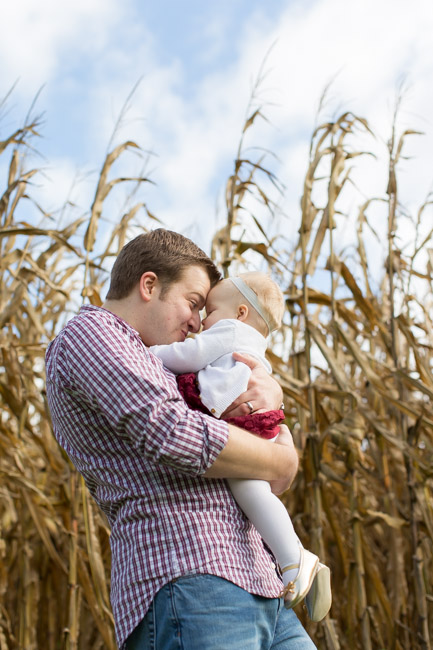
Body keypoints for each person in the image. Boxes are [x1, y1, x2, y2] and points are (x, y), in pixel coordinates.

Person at [45, 228, 318, 650]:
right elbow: (175, 434)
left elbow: (251, 446)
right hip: (188, 576)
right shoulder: (92, 333)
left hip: (261, 581)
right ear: (149, 285)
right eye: (193, 303)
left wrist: (265, 396)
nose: (197, 322)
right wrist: (280, 459)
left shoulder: (175, 367)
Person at [150, 272, 331, 620]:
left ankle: (294, 559)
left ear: (241, 312)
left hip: (244, 425)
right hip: (258, 422)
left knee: (250, 491)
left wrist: (145, 351)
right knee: (255, 492)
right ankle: (294, 557)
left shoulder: (231, 331)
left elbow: (188, 355)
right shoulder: (249, 342)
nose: (203, 320)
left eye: (212, 310)